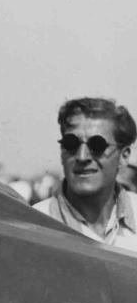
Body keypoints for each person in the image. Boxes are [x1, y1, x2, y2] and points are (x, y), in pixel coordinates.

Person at [32, 97, 137, 251]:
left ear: (124, 156)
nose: (82, 157)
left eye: (97, 145)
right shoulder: (34, 223)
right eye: (71, 144)